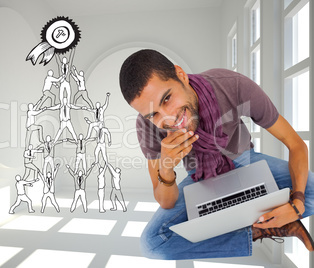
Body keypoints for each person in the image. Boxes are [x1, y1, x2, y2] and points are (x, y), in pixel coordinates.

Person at [119, 49, 314, 260]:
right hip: (199, 178)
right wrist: (166, 168)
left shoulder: (231, 85)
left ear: (180, 75)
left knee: (309, 189)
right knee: (152, 243)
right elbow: (166, 201)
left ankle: (239, 216)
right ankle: (259, 229)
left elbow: (296, 145)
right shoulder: (146, 127)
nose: (168, 118)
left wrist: (296, 205)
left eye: (167, 98)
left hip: (245, 161)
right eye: (153, 114)